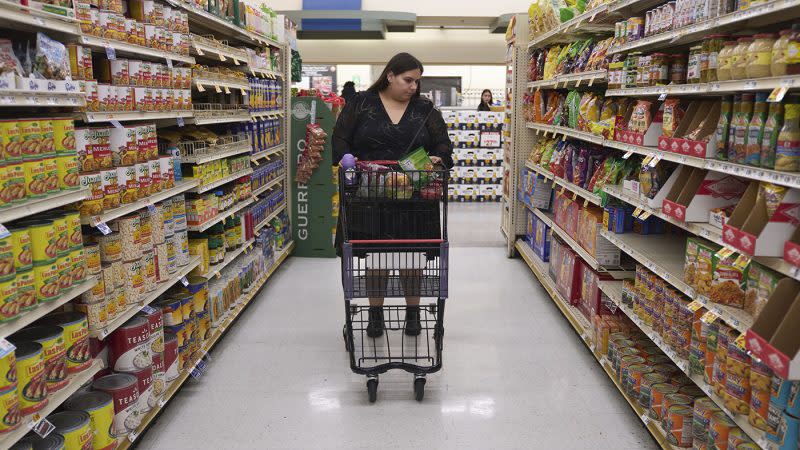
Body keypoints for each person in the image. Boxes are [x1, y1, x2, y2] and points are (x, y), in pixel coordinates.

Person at [333, 52, 453, 338]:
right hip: (370, 197)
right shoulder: (361, 104)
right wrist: (347, 160)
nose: (413, 86)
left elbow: (444, 146)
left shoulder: (425, 110)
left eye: (416, 81)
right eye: (407, 80)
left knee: (411, 260)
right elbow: (340, 140)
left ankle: (413, 315)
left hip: (415, 200)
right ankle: (375, 316)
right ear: (389, 76)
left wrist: (439, 159)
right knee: (377, 259)